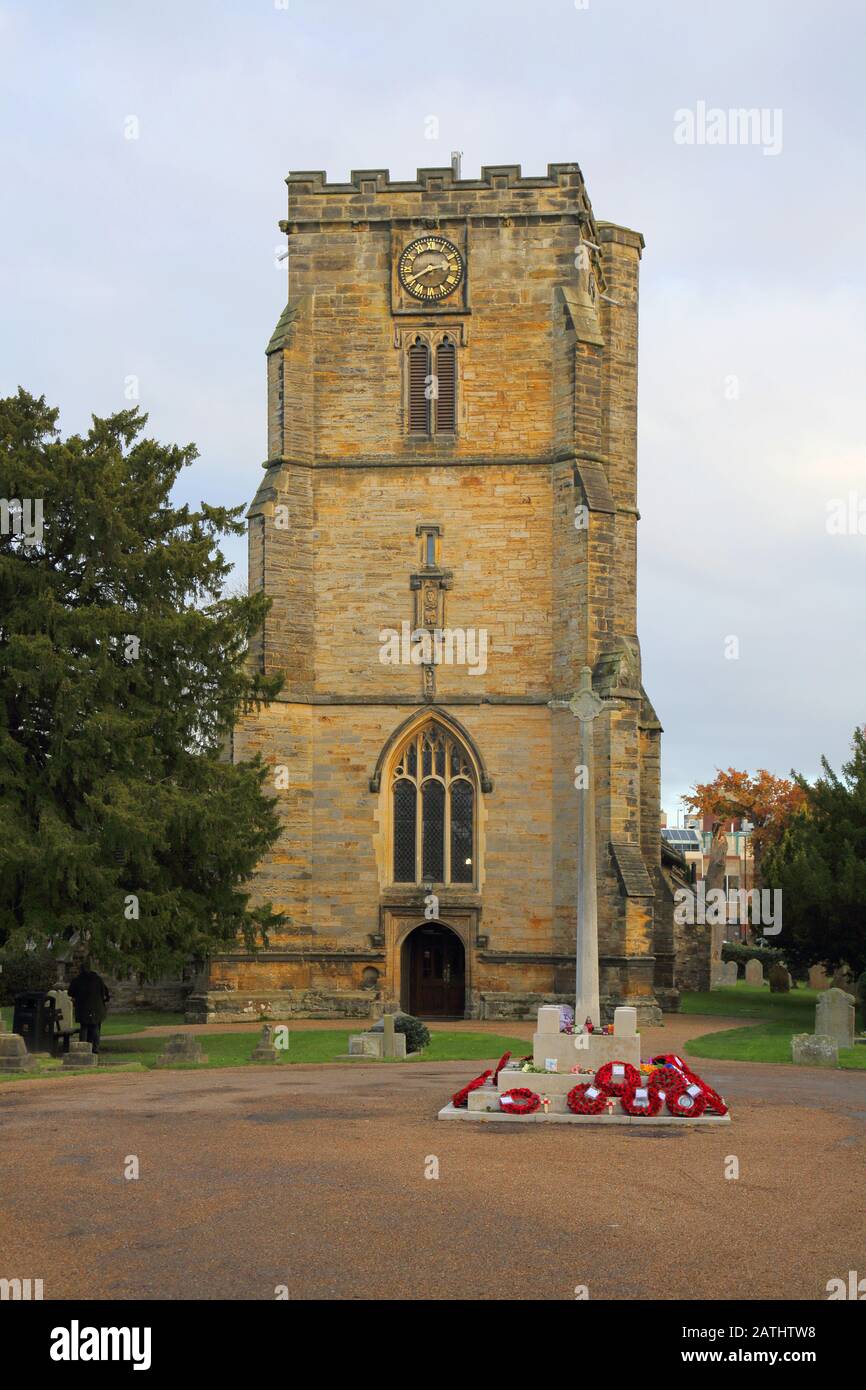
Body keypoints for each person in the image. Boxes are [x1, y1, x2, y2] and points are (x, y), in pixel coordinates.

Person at [68, 961, 110, 1053]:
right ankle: (95, 1048)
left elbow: (70, 992)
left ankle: (83, 1048)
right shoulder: (98, 979)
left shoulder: (78, 980)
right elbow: (105, 993)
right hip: (96, 1008)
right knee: (94, 1026)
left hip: (83, 1008)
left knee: (84, 1027)